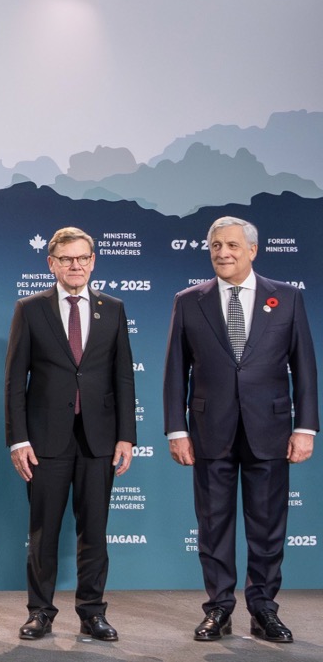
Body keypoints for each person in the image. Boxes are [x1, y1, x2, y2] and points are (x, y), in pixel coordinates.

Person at [163, 216, 316, 644]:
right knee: (213, 525)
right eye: (215, 246)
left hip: (269, 429)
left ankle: (264, 609)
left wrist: (305, 427)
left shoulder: (286, 298)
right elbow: (176, 369)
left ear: (252, 250)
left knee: (268, 527)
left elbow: (304, 367)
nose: (222, 253)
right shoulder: (188, 300)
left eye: (231, 245)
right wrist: (177, 430)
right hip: (209, 430)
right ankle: (219, 609)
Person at [4, 227, 135, 642]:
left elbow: (123, 378)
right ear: (52, 264)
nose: (75, 265)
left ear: (93, 261)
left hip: (99, 439)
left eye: (82, 258)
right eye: (66, 259)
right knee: (43, 532)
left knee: (94, 531)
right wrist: (18, 439)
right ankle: (40, 611)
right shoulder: (30, 308)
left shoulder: (112, 308)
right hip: (44, 441)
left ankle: (92, 612)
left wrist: (126, 436)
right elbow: (14, 381)